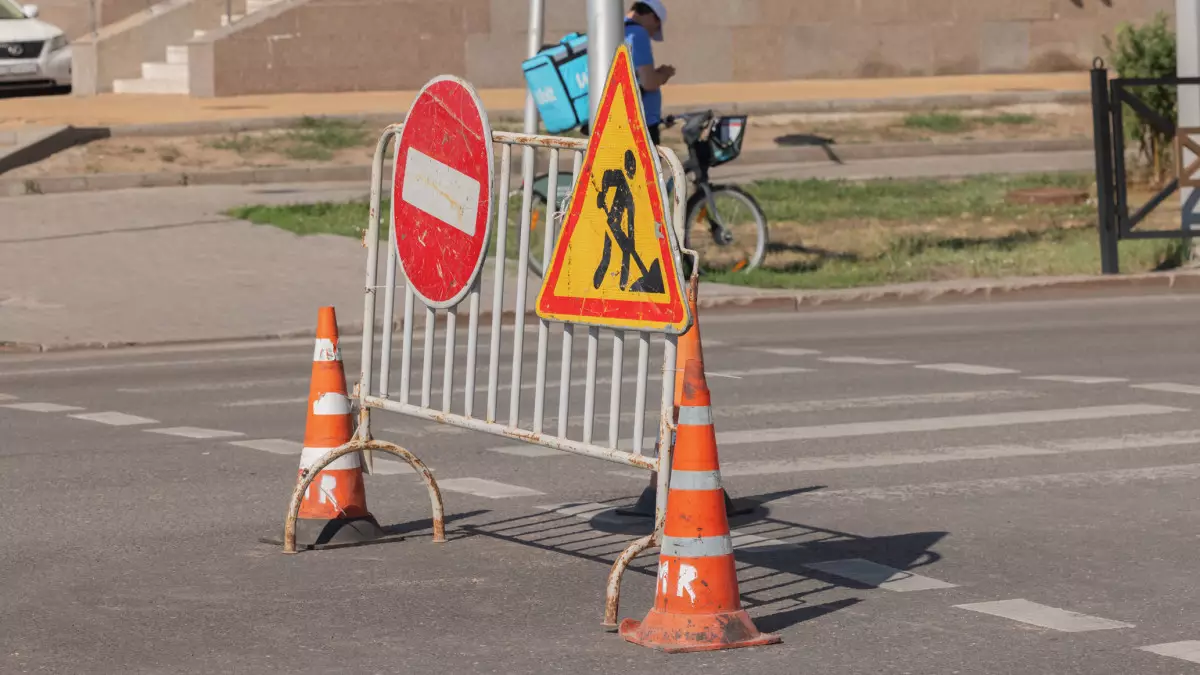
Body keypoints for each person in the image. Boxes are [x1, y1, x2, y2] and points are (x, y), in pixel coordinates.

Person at [623, 0, 674, 146]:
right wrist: (664, 74)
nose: (652, 34)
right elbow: (649, 82)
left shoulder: (615, 28)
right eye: (656, 27)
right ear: (652, 16)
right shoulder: (637, 33)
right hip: (640, 124)